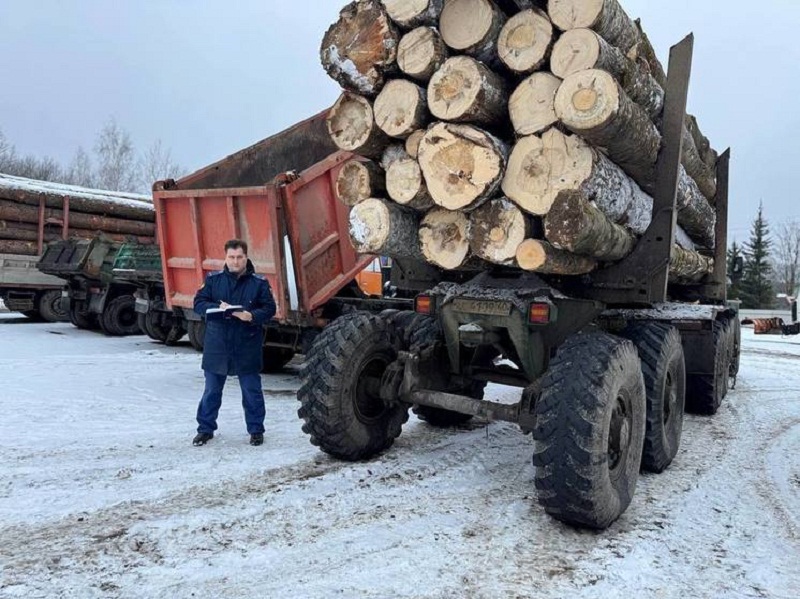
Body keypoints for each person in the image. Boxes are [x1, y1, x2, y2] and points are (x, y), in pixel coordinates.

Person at [191, 239, 276, 447]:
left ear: (246, 257)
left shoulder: (259, 283)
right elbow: (198, 303)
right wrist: (216, 308)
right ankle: (205, 429)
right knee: (211, 391)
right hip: (217, 345)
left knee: (251, 391)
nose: (235, 261)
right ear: (225, 257)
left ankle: (256, 430)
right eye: (231, 257)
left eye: (239, 257)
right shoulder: (213, 280)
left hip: (246, 344)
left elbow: (269, 309)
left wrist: (252, 315)